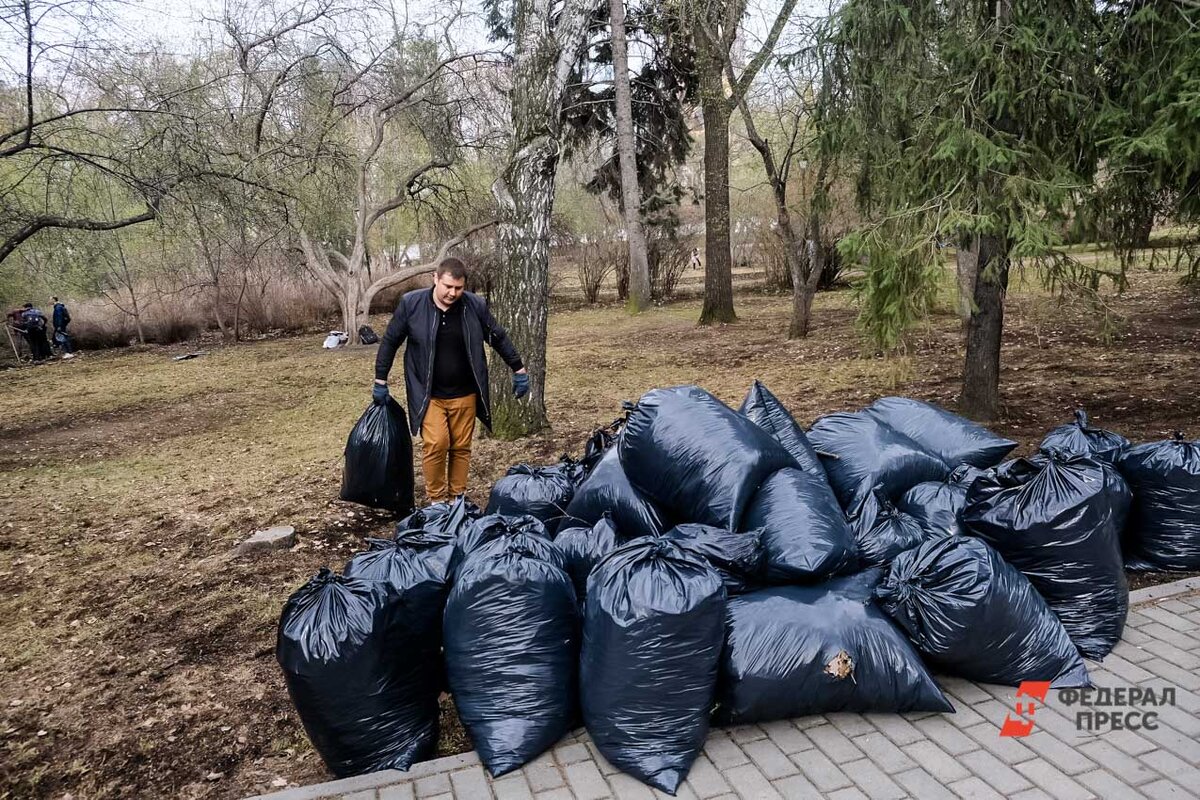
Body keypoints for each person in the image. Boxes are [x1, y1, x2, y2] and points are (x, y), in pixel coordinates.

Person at [372, 257, 529, 503]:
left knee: (460, 447)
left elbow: (497, 337)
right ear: (435, 279)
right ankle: (436, 501)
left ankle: (458, 498)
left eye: (458, 288)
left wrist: (518, 369)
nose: (452, 293)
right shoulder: (412, 304)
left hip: (465, 392)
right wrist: (380, 379)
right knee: (437, 443)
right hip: (429, 393)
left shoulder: (474, 306)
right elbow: (391, 341)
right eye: (447, 286)